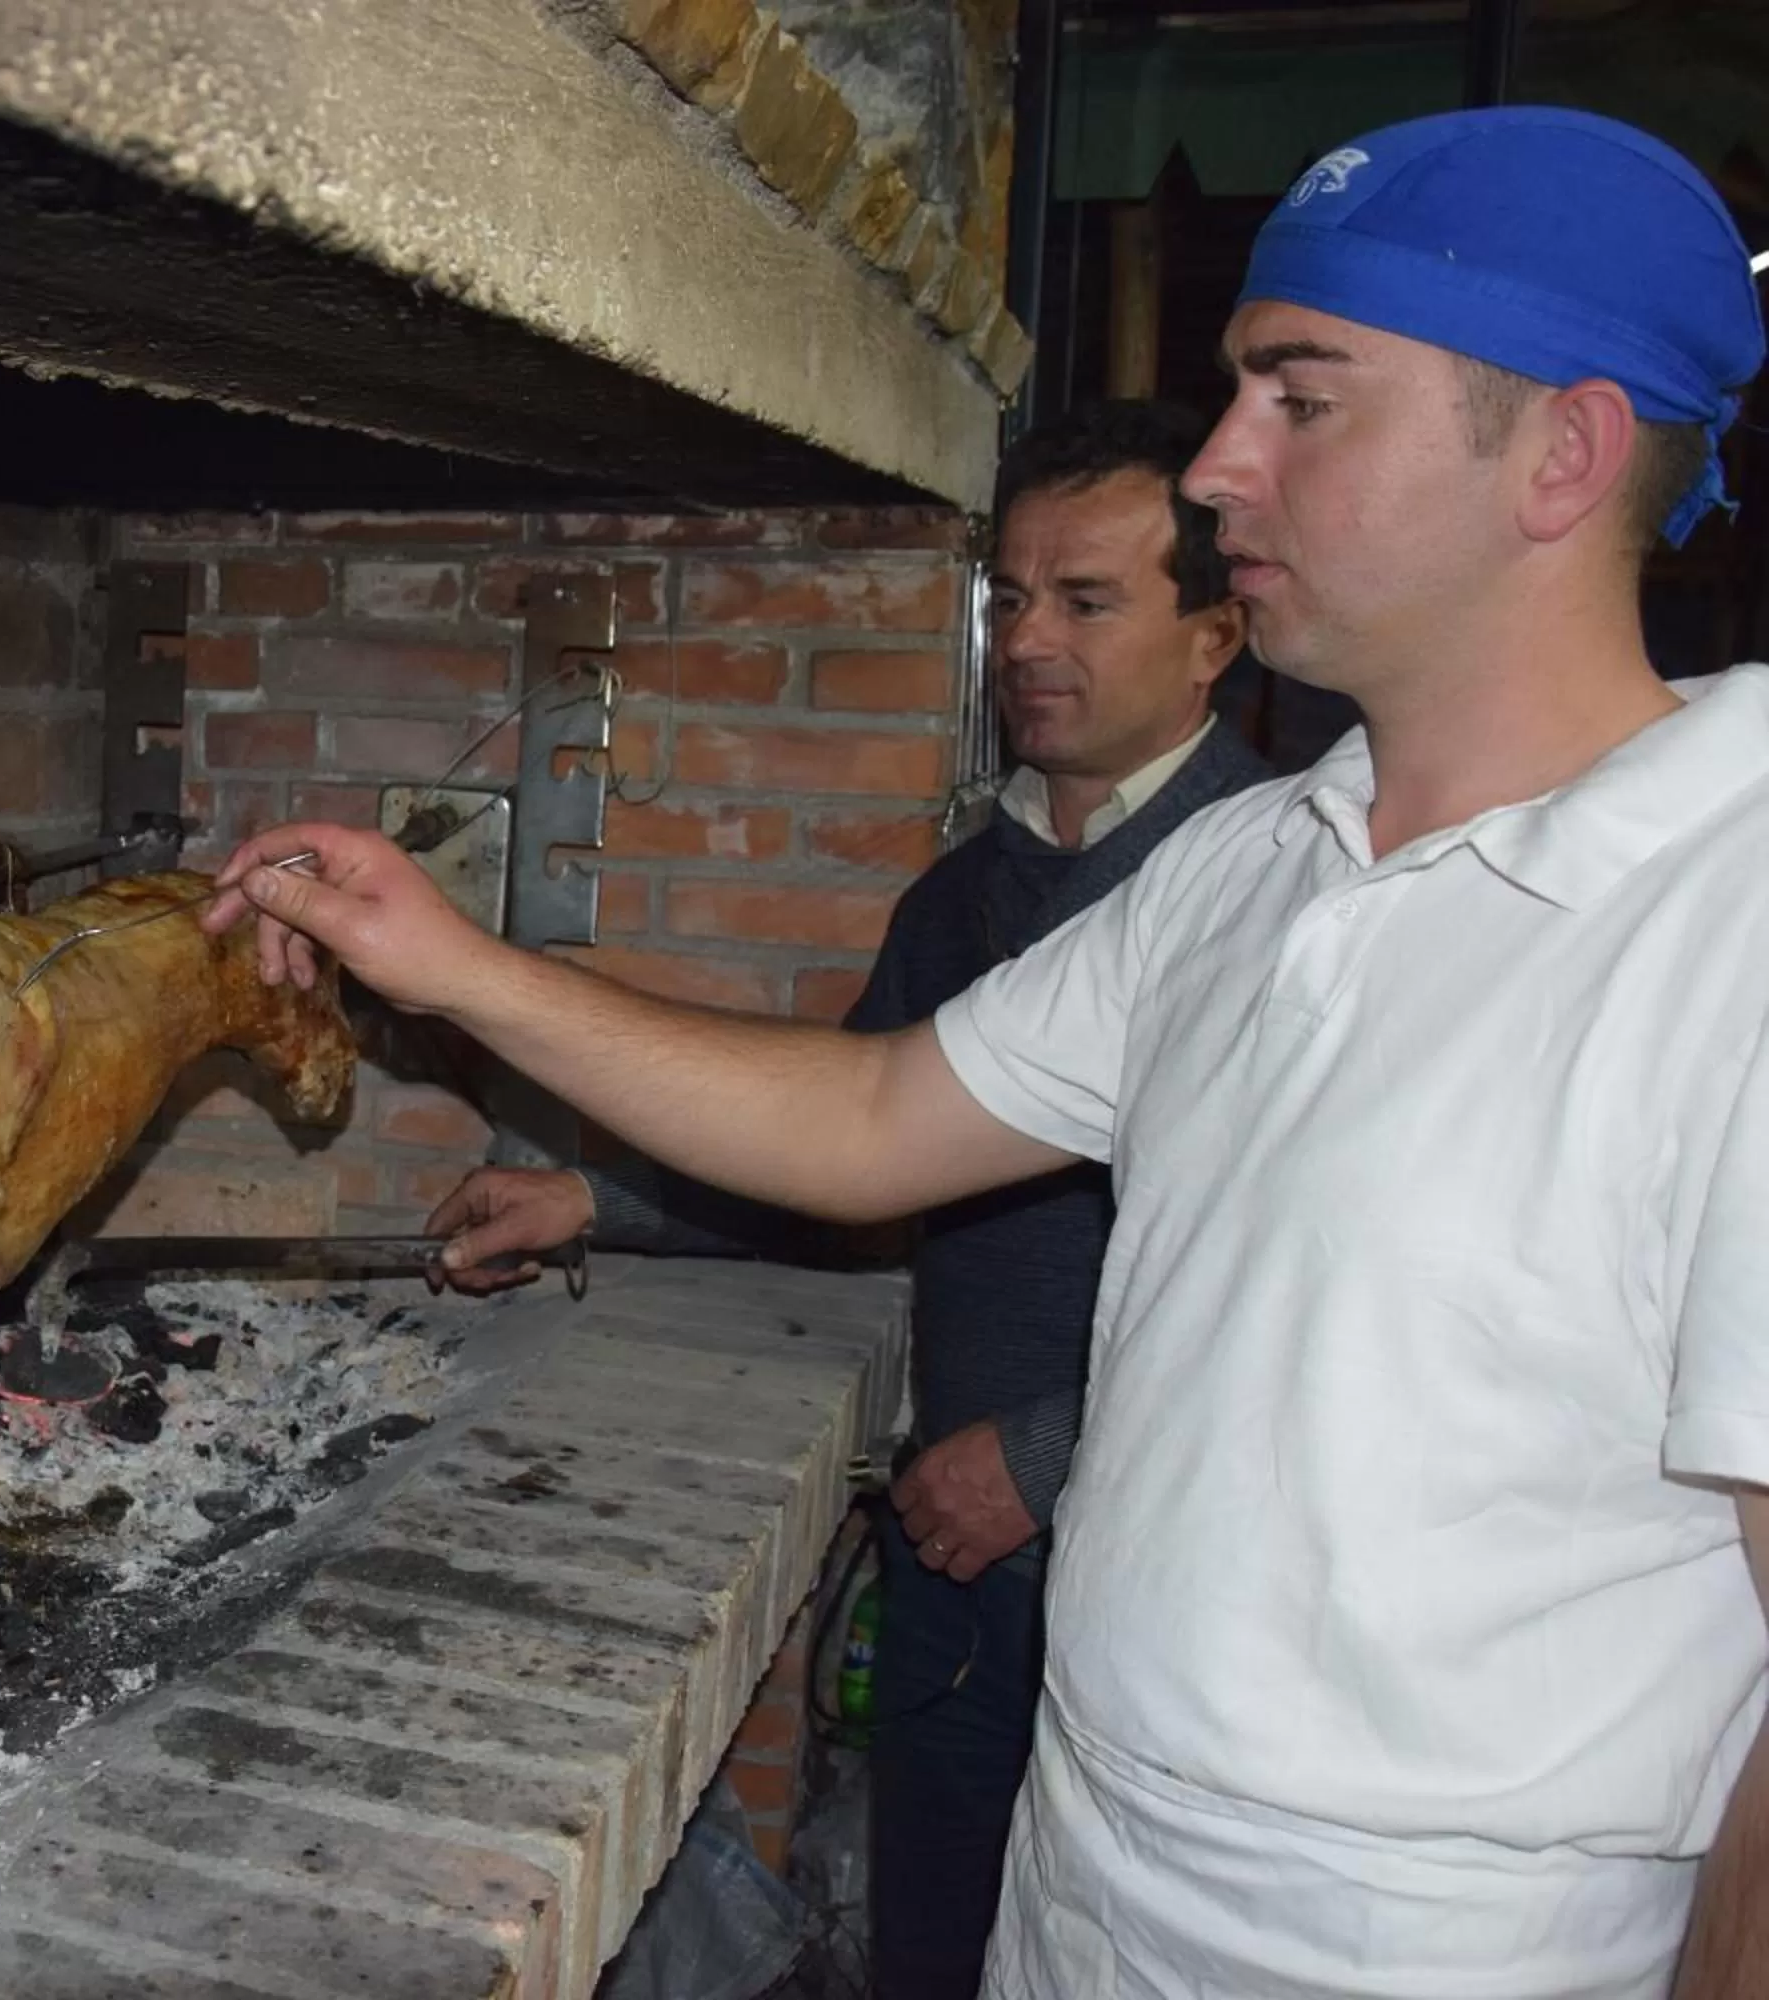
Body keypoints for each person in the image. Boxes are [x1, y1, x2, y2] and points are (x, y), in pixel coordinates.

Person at [203, 106, 1769, 1998]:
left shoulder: (1729, 913)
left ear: (1565, 454)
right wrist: (451, 964)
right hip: (1094, 1863)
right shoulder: (1258, 865)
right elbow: (871, 1118)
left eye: (1303, 397)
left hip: (1442, 1948)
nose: (1219, 466)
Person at [428, 398, 1263, 1998]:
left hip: (1152, 1575)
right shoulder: (968, 891)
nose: (1029, 639)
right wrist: (592, 1205)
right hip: (967, 1563)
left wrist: (1040, 1455)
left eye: (1088, 601)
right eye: (1012, 598)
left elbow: (1308, 1285)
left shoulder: (1263, 885)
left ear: (1217, 635)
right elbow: (853, 1144)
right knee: (939, 1944)